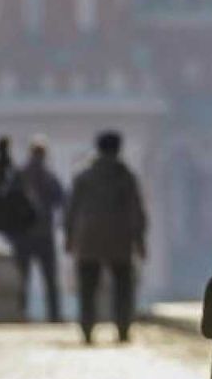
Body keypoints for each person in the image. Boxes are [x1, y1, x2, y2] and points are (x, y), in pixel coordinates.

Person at [65, 130, 146, 344]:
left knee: (87, 287)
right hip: (120, 238)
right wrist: (139, 240)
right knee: (122, 286)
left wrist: (69, 237)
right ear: (118, 149)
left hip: (89, 237)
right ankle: (122, 328)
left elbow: (71, 209)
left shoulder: (84, 175)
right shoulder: (125, 175)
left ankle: (87, 328)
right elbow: (136, 209)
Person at [13, 136, 65, 322]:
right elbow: (61, 200)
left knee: (22, 278)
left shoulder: (20, 175)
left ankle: (20, 314)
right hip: (42, 235)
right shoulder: (48, 177)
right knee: (49, 279)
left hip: (23, 235)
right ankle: (54, 315)